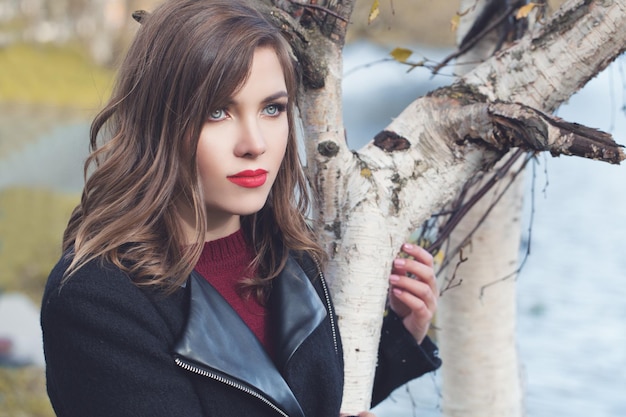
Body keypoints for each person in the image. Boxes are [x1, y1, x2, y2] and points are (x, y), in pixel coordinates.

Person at [40, 1, 441, 416]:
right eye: (218, 112)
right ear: (158, 123)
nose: (255, 144)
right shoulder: (95, 299)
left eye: (272, 109)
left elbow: (295, 400)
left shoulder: (288, 254)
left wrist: (399, 338)